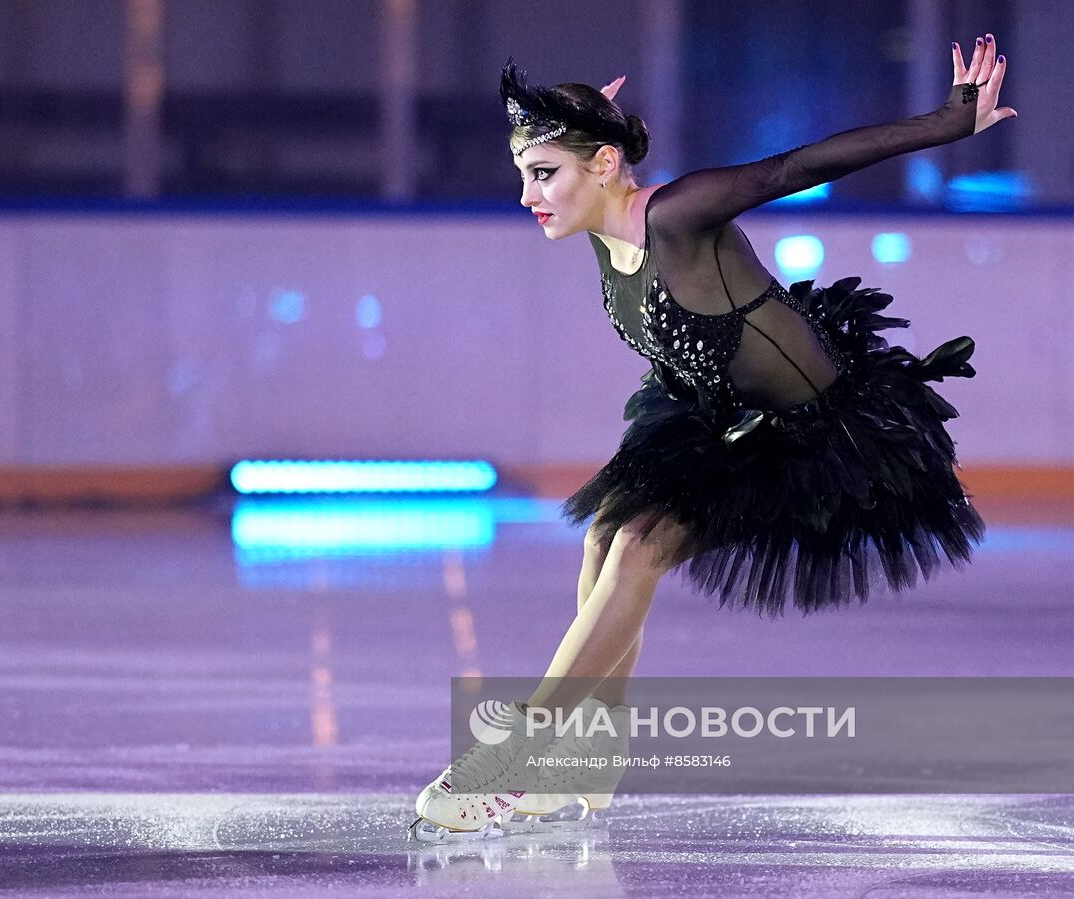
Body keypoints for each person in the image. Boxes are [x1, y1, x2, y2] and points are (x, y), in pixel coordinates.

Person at [410, 35, 1018, 843]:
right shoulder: (601, 232)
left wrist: (945, 125)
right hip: (723, 420)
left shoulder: (675, 214)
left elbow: (790, 170)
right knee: (604, 540)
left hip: (818, 437)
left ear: (601, 167)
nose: (528, 194)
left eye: (544, 172)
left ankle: (523, 757)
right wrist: (596, 115)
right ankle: (584, 773)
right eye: (525, 173)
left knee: (637, 548)